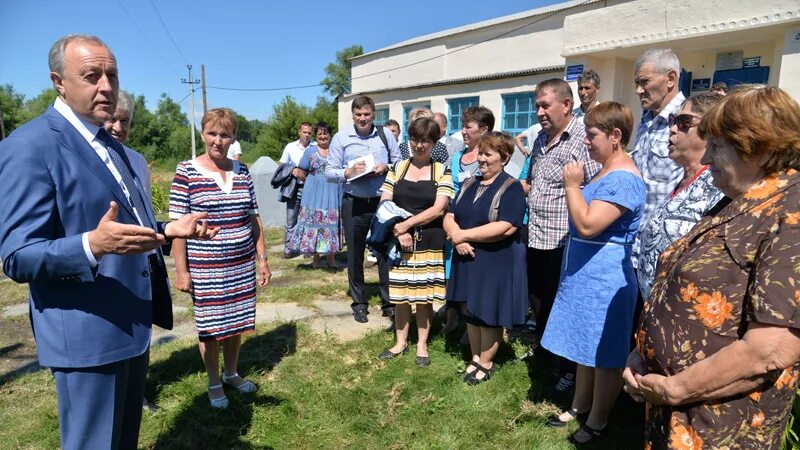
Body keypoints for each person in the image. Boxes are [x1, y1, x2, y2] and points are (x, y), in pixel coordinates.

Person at [0, 35, 217, 450]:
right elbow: (16, 255)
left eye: (112, 75)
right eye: (91, 75)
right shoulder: (29, 146)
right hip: (85, 336)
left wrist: (169, 229)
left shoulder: (110, 146)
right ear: (59, 82)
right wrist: (91, 246)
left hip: (131, 324)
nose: (106, 86)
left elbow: (122, 225)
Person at [624, 85, 800, 449]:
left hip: (720, 424)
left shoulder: (791, 214)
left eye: (718, 146)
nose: (708, 159)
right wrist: (643, 354)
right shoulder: (739, 200)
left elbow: (772, 348)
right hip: (677, 408)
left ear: (761, 148)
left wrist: (676, 388)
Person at [541, 102, 646, 445]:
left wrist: (572, 185)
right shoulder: (604, 171)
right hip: (586, 271)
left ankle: (599, 419)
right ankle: (580, 403)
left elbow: (587, 225)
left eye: (592, 134)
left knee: (605, 352)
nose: (586, 141)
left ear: (615, 137)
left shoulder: (624, 179)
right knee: (584, 343)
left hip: (606, 276)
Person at [170, 108, 272, 409]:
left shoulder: (243, 172)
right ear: (203, 134)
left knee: (237, 323)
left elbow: (254, 219)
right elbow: (178, 228)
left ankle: (231, 373)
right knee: (212, 328)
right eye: (212, 133)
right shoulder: (186, 171)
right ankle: (214, 382)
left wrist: (262, 259)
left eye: (224, 134)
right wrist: (182, 272)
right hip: (206, 267)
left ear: (233, 138)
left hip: (241, 265)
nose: (218, 140)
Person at [526, 79, 600, 396]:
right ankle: (547, 353)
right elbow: (533, 180)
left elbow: (595, 188)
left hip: (565, 241)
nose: (539, 111)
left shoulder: (582, 140)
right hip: (536, 237)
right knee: (539, 302)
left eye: (545, 105)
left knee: (564, 306)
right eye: (537, 105)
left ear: (566, 105)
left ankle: (569, 370)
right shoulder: (541, 139)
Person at [445, 132, 528, 385]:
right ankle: (475, 357)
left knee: (488, 311)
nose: (481, 158)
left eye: (487, 154)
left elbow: (506, 226)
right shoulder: (470, 183)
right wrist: (456, 237)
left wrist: (463, 236)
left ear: (503, 158)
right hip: (467, 255)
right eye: (480, 152)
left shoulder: (511, 186)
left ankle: (487, 361)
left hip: (495, 258)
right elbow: (450, 214)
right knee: (471, 309)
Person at [377, 117, 454, 366]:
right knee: (399, 297)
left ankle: (421, 344)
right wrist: (400, 232)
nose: (419, 145)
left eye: (425, 141)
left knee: (423, 298)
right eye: (415, 139)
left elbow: (438, 209)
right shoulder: (396, 168)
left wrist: (408, 224)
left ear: (434, 142)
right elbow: (385, 202)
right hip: (399, 241)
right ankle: (400, 342)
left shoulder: (442, 170)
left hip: (429, 242)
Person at [104, 89, 162, 414]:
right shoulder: (91, 159)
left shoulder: (137, 160)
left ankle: (137, 393)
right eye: (112, 118)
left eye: (124, 121)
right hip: (110, 262)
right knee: (117, 332)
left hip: (142, 261)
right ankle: (117, 396)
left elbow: (146, 212)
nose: (117, 126)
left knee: (141, 331)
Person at [636, 93, 724, 300]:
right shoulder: (684, 180)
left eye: (684, 122)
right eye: (673, 121)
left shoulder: (717, 186)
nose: (673, 129)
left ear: (712, 130)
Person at [326, 95, 401, 324]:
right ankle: (359, 303)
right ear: (353, 115)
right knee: (355, 254)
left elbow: (399, 164)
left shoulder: (386, 135)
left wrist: (384, 167)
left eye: (366, 114)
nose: (362, 118)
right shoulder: (341, 138)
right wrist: (347, 173)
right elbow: (329, 172)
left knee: (383, 252)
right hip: (354, 202)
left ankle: (389, 303)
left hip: (381, 202)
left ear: (373, 114)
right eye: (358, 114)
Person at [440, 106, 495, 337]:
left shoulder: (489, 158)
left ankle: (470, 326)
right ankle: (452, 320)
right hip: (453, 222)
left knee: (473, 276)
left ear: (483, 130)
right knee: (452, 275)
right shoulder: (457, 157)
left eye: (468, 127)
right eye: (462, 126)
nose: (463, 131)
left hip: (477, 225)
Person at [631, 48, 686, 266]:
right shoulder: (645, 121)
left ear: (670, 79)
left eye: (644, 82)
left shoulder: (688, 123)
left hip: (667, 254)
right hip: (636, 250)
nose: (638, 90)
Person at [286, 122, 343, 268]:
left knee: (330, 221)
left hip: (333, 190)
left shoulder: (337, 150)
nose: (323, 137)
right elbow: (300, 171)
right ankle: (316, 258)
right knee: (314, 222)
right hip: (314, 192)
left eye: (325, 134)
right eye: (319, 134)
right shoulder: (310, 151)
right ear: (316, 136)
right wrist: (311, 182)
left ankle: (331, 258)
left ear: (330, 135)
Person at [280, 121, 314, 257]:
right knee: (291, 218)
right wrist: (292, 169)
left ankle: (307, 248)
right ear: (299, 132)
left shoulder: (316, 146)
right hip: (294, 186)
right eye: (304, 132)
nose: (306, 135)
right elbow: (282, 166)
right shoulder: (290, 147)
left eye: (309, 133)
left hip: (311, 187)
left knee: (309, 218)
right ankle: (290, 249)